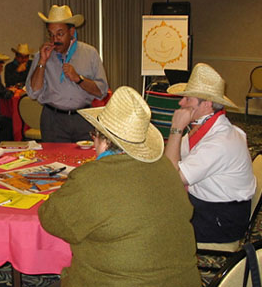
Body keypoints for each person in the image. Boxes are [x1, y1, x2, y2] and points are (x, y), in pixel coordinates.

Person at [39, 86, 201, 287]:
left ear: (104, 141)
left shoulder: (91, 177)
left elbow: (52, 220)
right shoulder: (166, 167)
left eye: (94, 136)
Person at [165, 63, 256, 243]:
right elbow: (170, 158)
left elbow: (171, 177)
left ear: (206, 105)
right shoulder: (205, 129)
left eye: (187, 99)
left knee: (155, 224)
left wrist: (176, 128)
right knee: (154, 204)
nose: (180, 103)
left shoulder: (220, 142)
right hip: (208, 204)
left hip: (222, 219)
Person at [25, 5, 109, 142]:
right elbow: (33, 93)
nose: (55, 40)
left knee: (84, 162)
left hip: (83, 118)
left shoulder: (90, 53)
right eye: (51, 34)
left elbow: (102, 91)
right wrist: (42, 62)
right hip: (52, 120)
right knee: (53, 162)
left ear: (71, 31)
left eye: (60, 33)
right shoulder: (42, 55)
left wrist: (79, 79)